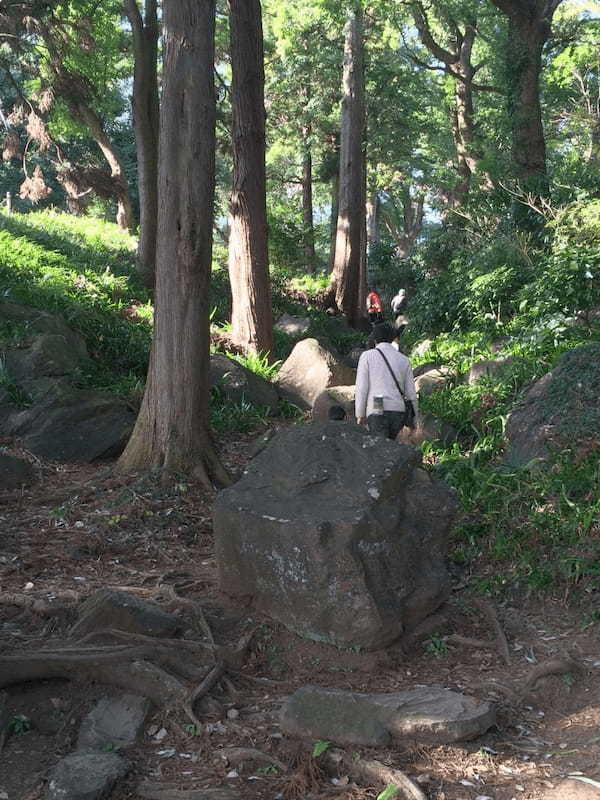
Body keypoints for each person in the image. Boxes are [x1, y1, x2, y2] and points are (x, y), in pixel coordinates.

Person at [355, 322, 418, 440]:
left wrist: (360, 414)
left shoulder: (367, 356)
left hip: (377, 403)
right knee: (390, 445)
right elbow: (411, 394)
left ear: (374, 338)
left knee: (380, 446)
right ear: (393, 338)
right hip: (397, 408)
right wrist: (414, 420)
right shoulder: (404, 360)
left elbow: (362, 388)